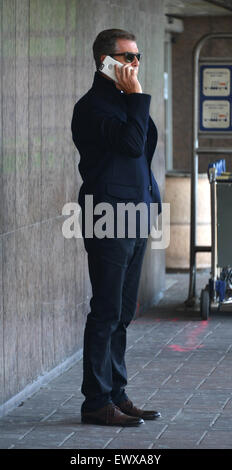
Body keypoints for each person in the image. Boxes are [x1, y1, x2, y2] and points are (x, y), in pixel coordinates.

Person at [71, 29, 161, 426]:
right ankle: (96, 402)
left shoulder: (124, 103)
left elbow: (140, 150)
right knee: (106, 310)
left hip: (135, 215)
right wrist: (138, 95)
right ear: (105, 61)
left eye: (137, 56)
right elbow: (129, 145)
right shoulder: (93, 107)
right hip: (109, 215)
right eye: (127, 57)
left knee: (123, 311)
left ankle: (117, 393)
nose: (135, 64)